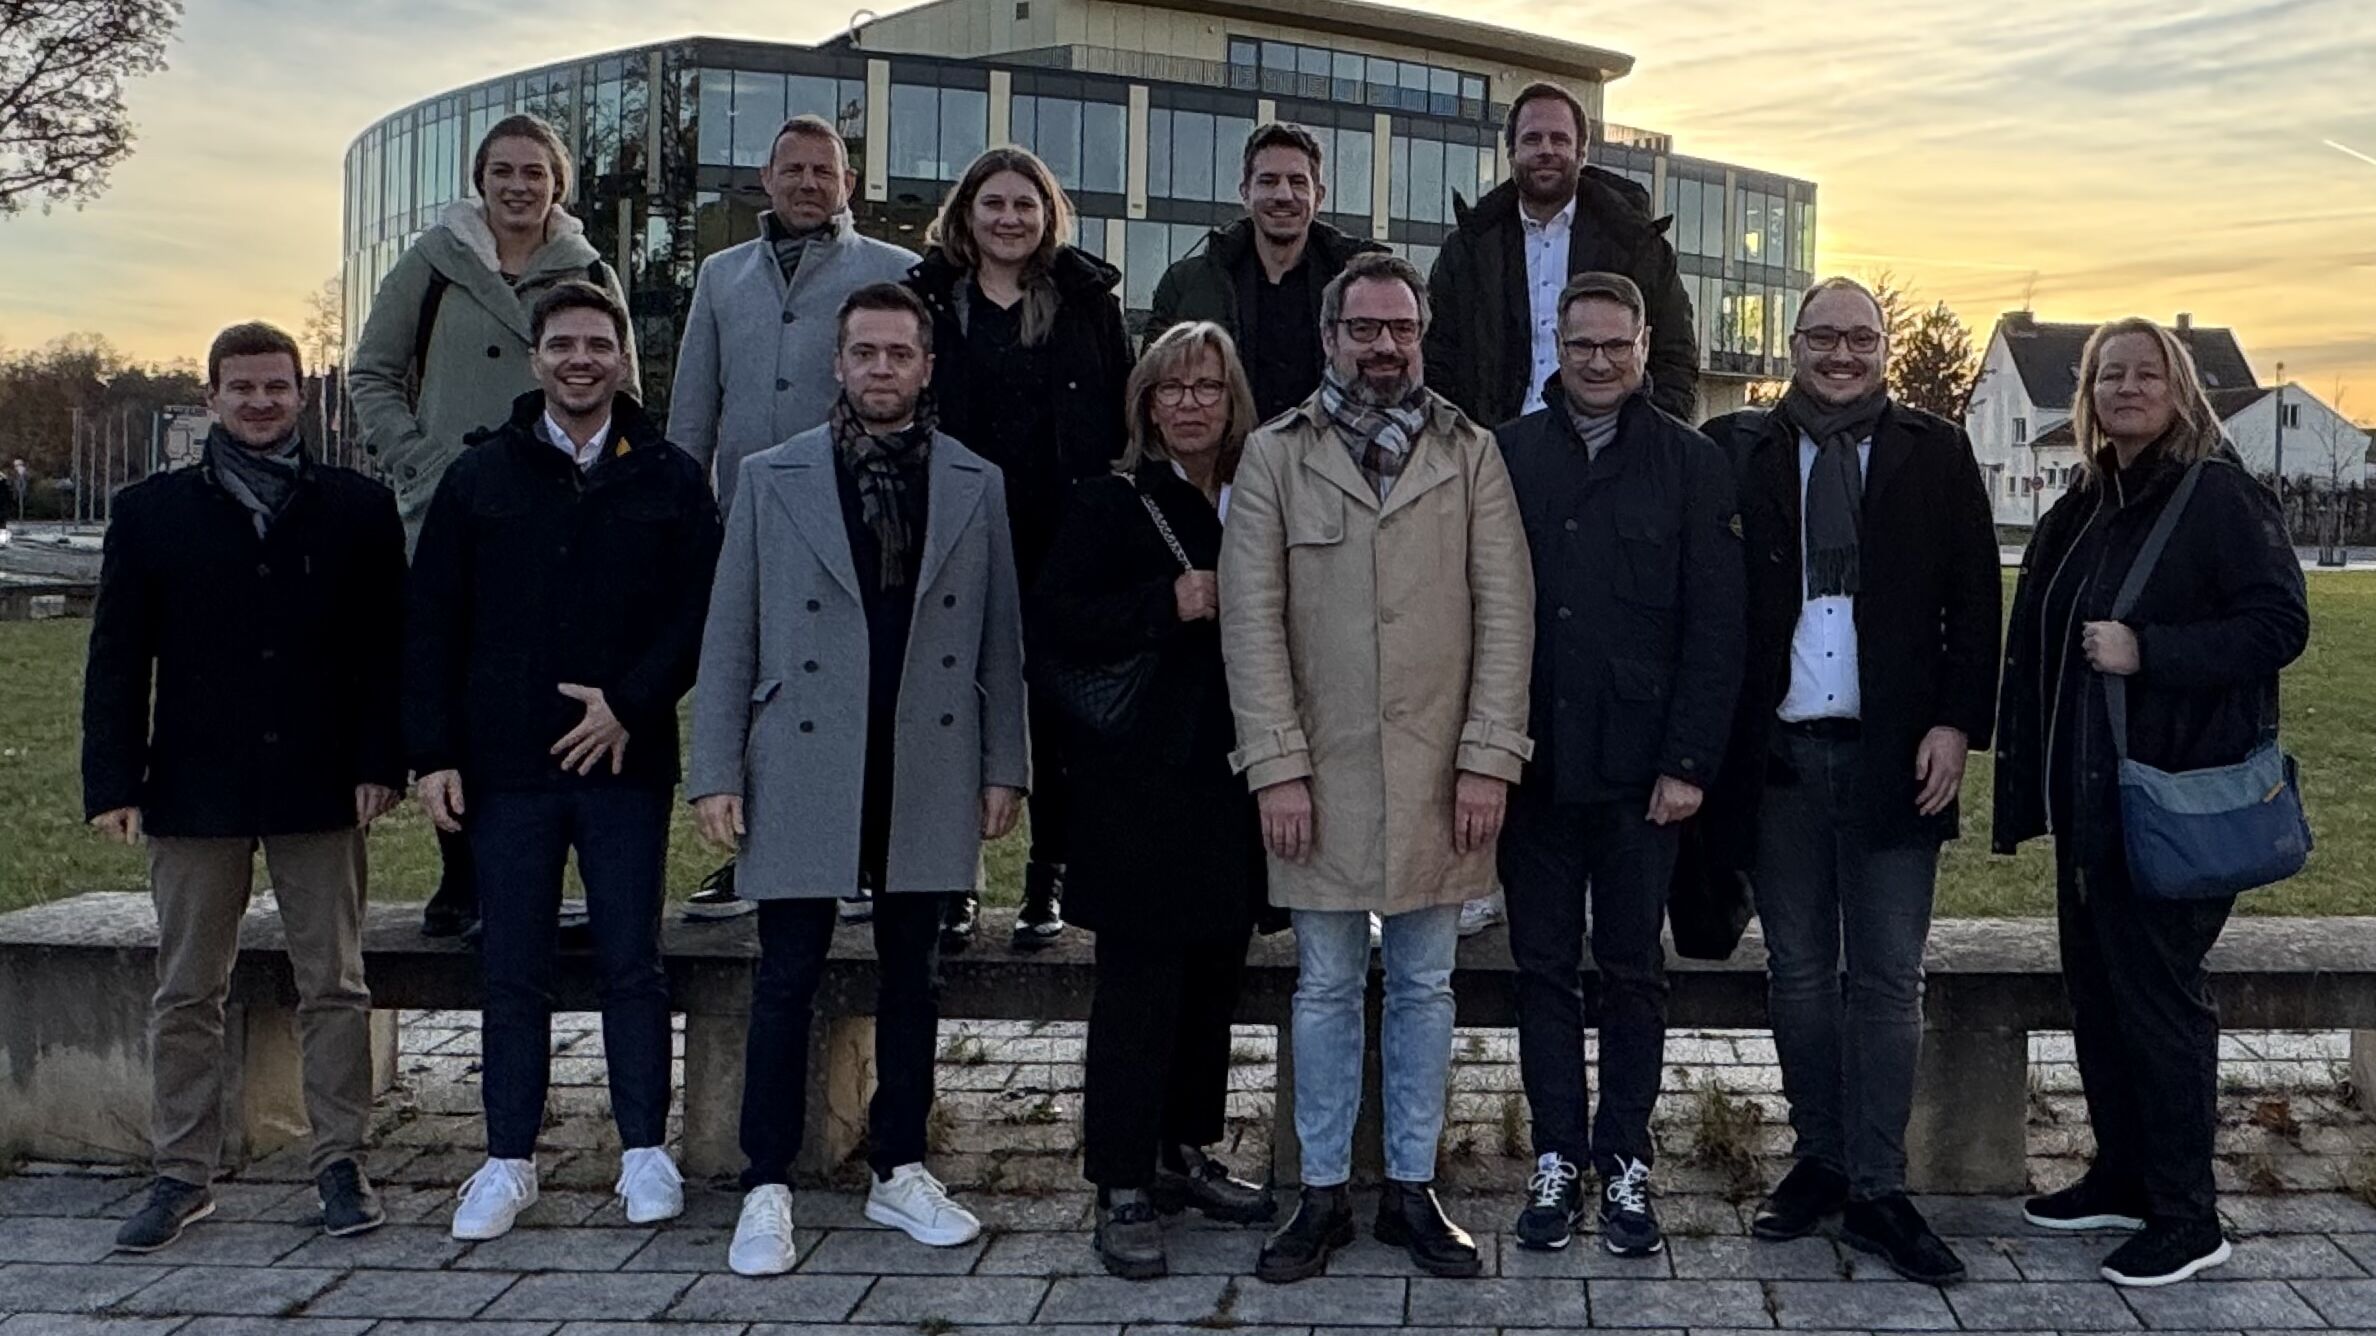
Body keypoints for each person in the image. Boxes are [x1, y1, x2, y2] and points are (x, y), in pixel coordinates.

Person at [688, 282, 1028, 1276]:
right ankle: (765, 1180)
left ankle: (900, 1164)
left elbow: (999, 639)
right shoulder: (771, 475)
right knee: (785, 972)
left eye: (899, 353)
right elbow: (730, 632)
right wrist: (715, 770)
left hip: (926, 752)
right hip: (803, 753)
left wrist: (1004, 765)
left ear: (927, 367)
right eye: (865, 352)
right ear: (838, 363)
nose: (882, 368)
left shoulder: (975, 480)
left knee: (915, 971)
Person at [1220, 252, 1533, 1283]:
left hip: (1445, 773)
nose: (1384, 346)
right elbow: (1251, 625)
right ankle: (1319, 1194)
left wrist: (1488, 760)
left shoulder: (1471, 453)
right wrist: (1277, 767)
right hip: (1320, 773)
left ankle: (1410, 1188)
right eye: (1365, 329)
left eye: (1401, 328)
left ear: (1422, 336)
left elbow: (1507, 616)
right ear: (1330, 337)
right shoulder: (1275, 455)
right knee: (1324, 986)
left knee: (1426, 985)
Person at [1994, 318, 2308, 1287]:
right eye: (2109, 376)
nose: (2126, 388)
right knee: (2099, 994)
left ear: (2181, 390)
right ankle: (2124, 1176)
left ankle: (2186, 1215)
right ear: (2087, 396)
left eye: (2146, 374)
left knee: (2161, 1005)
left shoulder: (2216, 494)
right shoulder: (2092, 498)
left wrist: (2151, 652)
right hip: (2091, 801)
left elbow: (2279, 622)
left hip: (2168, 801)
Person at [1700, 276, 2001, 1286]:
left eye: (1860, 338)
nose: (1841, 354)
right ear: (1794, 344)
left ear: (1884, 347)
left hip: (1895, 758)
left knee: (1886, 977)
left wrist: (1956, 725)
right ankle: (1820, 1158)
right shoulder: (1742, 448)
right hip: (1779, 758)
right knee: (1796, 972)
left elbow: (1974, 598)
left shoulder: (1933, 450)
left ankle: (1879, 1186)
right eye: (1823, 336)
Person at [403, 282, 719, 1242]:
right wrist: (432, 753)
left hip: (626, 761)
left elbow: (700, 612)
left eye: (597, 345)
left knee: (633, 963)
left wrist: (631, 702)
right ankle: (507, 1158)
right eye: (562, 345)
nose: (580, 360)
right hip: (508, 767)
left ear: (624, 361)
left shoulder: (669, 476)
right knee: (512, 965)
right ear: (536, 357)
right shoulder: (478, 477)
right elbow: (431, 623)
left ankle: (643, 1151)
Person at [84, 322, 405, 1252]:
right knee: (187, 988)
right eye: (243, 387)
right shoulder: (151, 513)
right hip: (194, 785)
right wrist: (113, 779)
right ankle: (181, 1172)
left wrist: (380, 763)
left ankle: (339, 1161)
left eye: (277, 386)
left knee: (335, 983)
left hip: (321, 780)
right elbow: (117, 659)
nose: (261, 402)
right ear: (212, 397)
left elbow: (386, 652)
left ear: (303, 395)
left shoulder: (358, 509)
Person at [1493, 273, 1744, 1257]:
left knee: (1635, 971)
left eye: (1616, 345)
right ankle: (1557, 1155)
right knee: (1543, 970)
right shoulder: (1507, 455)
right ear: (1556, 347)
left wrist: (1687, 762)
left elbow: (1716, 627)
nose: (1598, 362)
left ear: (1644, 348)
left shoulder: (1691, 463)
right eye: (1581, 344)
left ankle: (1627, 1157)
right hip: (1535, 769)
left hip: (1645, 778)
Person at [349, 111, 638, 941]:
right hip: (453, 500)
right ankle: (460, 866)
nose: (518, 186)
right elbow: (372, 372)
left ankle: (548, 858)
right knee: (452, 671)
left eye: (535, 172)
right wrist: (421, 461)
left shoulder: (588, 267)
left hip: (559, 505)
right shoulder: (433, 262)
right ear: (479, 179)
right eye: (503, 170)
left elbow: (624, 385)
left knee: (548, 671)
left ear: (559, 184)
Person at [1034, 322, 1276, 1279]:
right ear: (1144, 403)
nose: (1190, 404)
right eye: (1171, 388)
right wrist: (1164, 606)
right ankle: (1122, 1181)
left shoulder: (1259, 496)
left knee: (1213, 980)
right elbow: (1056, 625)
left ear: (1233, 401)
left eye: (1208, 387)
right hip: (1137, 786)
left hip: (1232, 780)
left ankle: (1183, 1152)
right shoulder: (1109, 500)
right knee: (1138, 992)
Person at [668, 111, 916, 921]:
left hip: (857, 523)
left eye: (824, 171)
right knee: (756, 693)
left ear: (849, 184)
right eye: (794, 169)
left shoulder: (895, 269)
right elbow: (694, 405)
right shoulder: (721, 276)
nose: (809, 183)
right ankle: (754, 850)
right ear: (766, 180)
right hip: (748, 519)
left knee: (854, 690)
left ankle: (860, 854)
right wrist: (686, 511)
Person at [908, 146, 1133, 953]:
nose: (1009, 219)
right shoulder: (928, 298)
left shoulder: (1086, 300)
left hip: (1062, 535)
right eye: (994, 203)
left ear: (1048, 216)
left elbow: (1121, 410)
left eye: (1025, 205)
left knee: (1058, 714)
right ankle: (955, 879)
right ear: (966, 214)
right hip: (955, 530)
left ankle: (1049, 878)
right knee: (956, 703)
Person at [1425, 81, 1699, 428]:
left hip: (1606, 446)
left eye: (1559, 139)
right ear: (1511, 153)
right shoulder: (1468, 250)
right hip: (1493, 448)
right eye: (1532, 139)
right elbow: (1436, 357)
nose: (1546, 150)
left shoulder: (1636, 246)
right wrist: (1462, 441)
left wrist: (1641, 439)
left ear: (1582, 154)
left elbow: (1676, 360)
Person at [1145, 122, 1386, 421]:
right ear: (1245, 193)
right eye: (1268, 181)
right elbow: (1152, 393)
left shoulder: (1360, 286)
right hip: (1227, 451)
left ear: (1319, 197)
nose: (1283, 194)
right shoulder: (1186, 285)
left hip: (1330, 449)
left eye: (1297, 182)